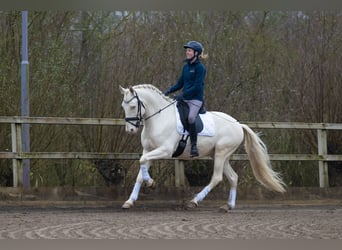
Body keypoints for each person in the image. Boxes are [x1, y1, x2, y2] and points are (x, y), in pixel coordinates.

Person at [164, 41, 208, 157]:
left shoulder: (200, 68)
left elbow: (197, 87)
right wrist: (168, 91)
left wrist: (182, 95)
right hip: (185, 98)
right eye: (187, 50)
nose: (187, 52)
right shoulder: (186, 67)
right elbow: (180, 84)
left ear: (196, 53)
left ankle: (194, 146)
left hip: (195, 99)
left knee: (191, 118)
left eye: (189, 50)